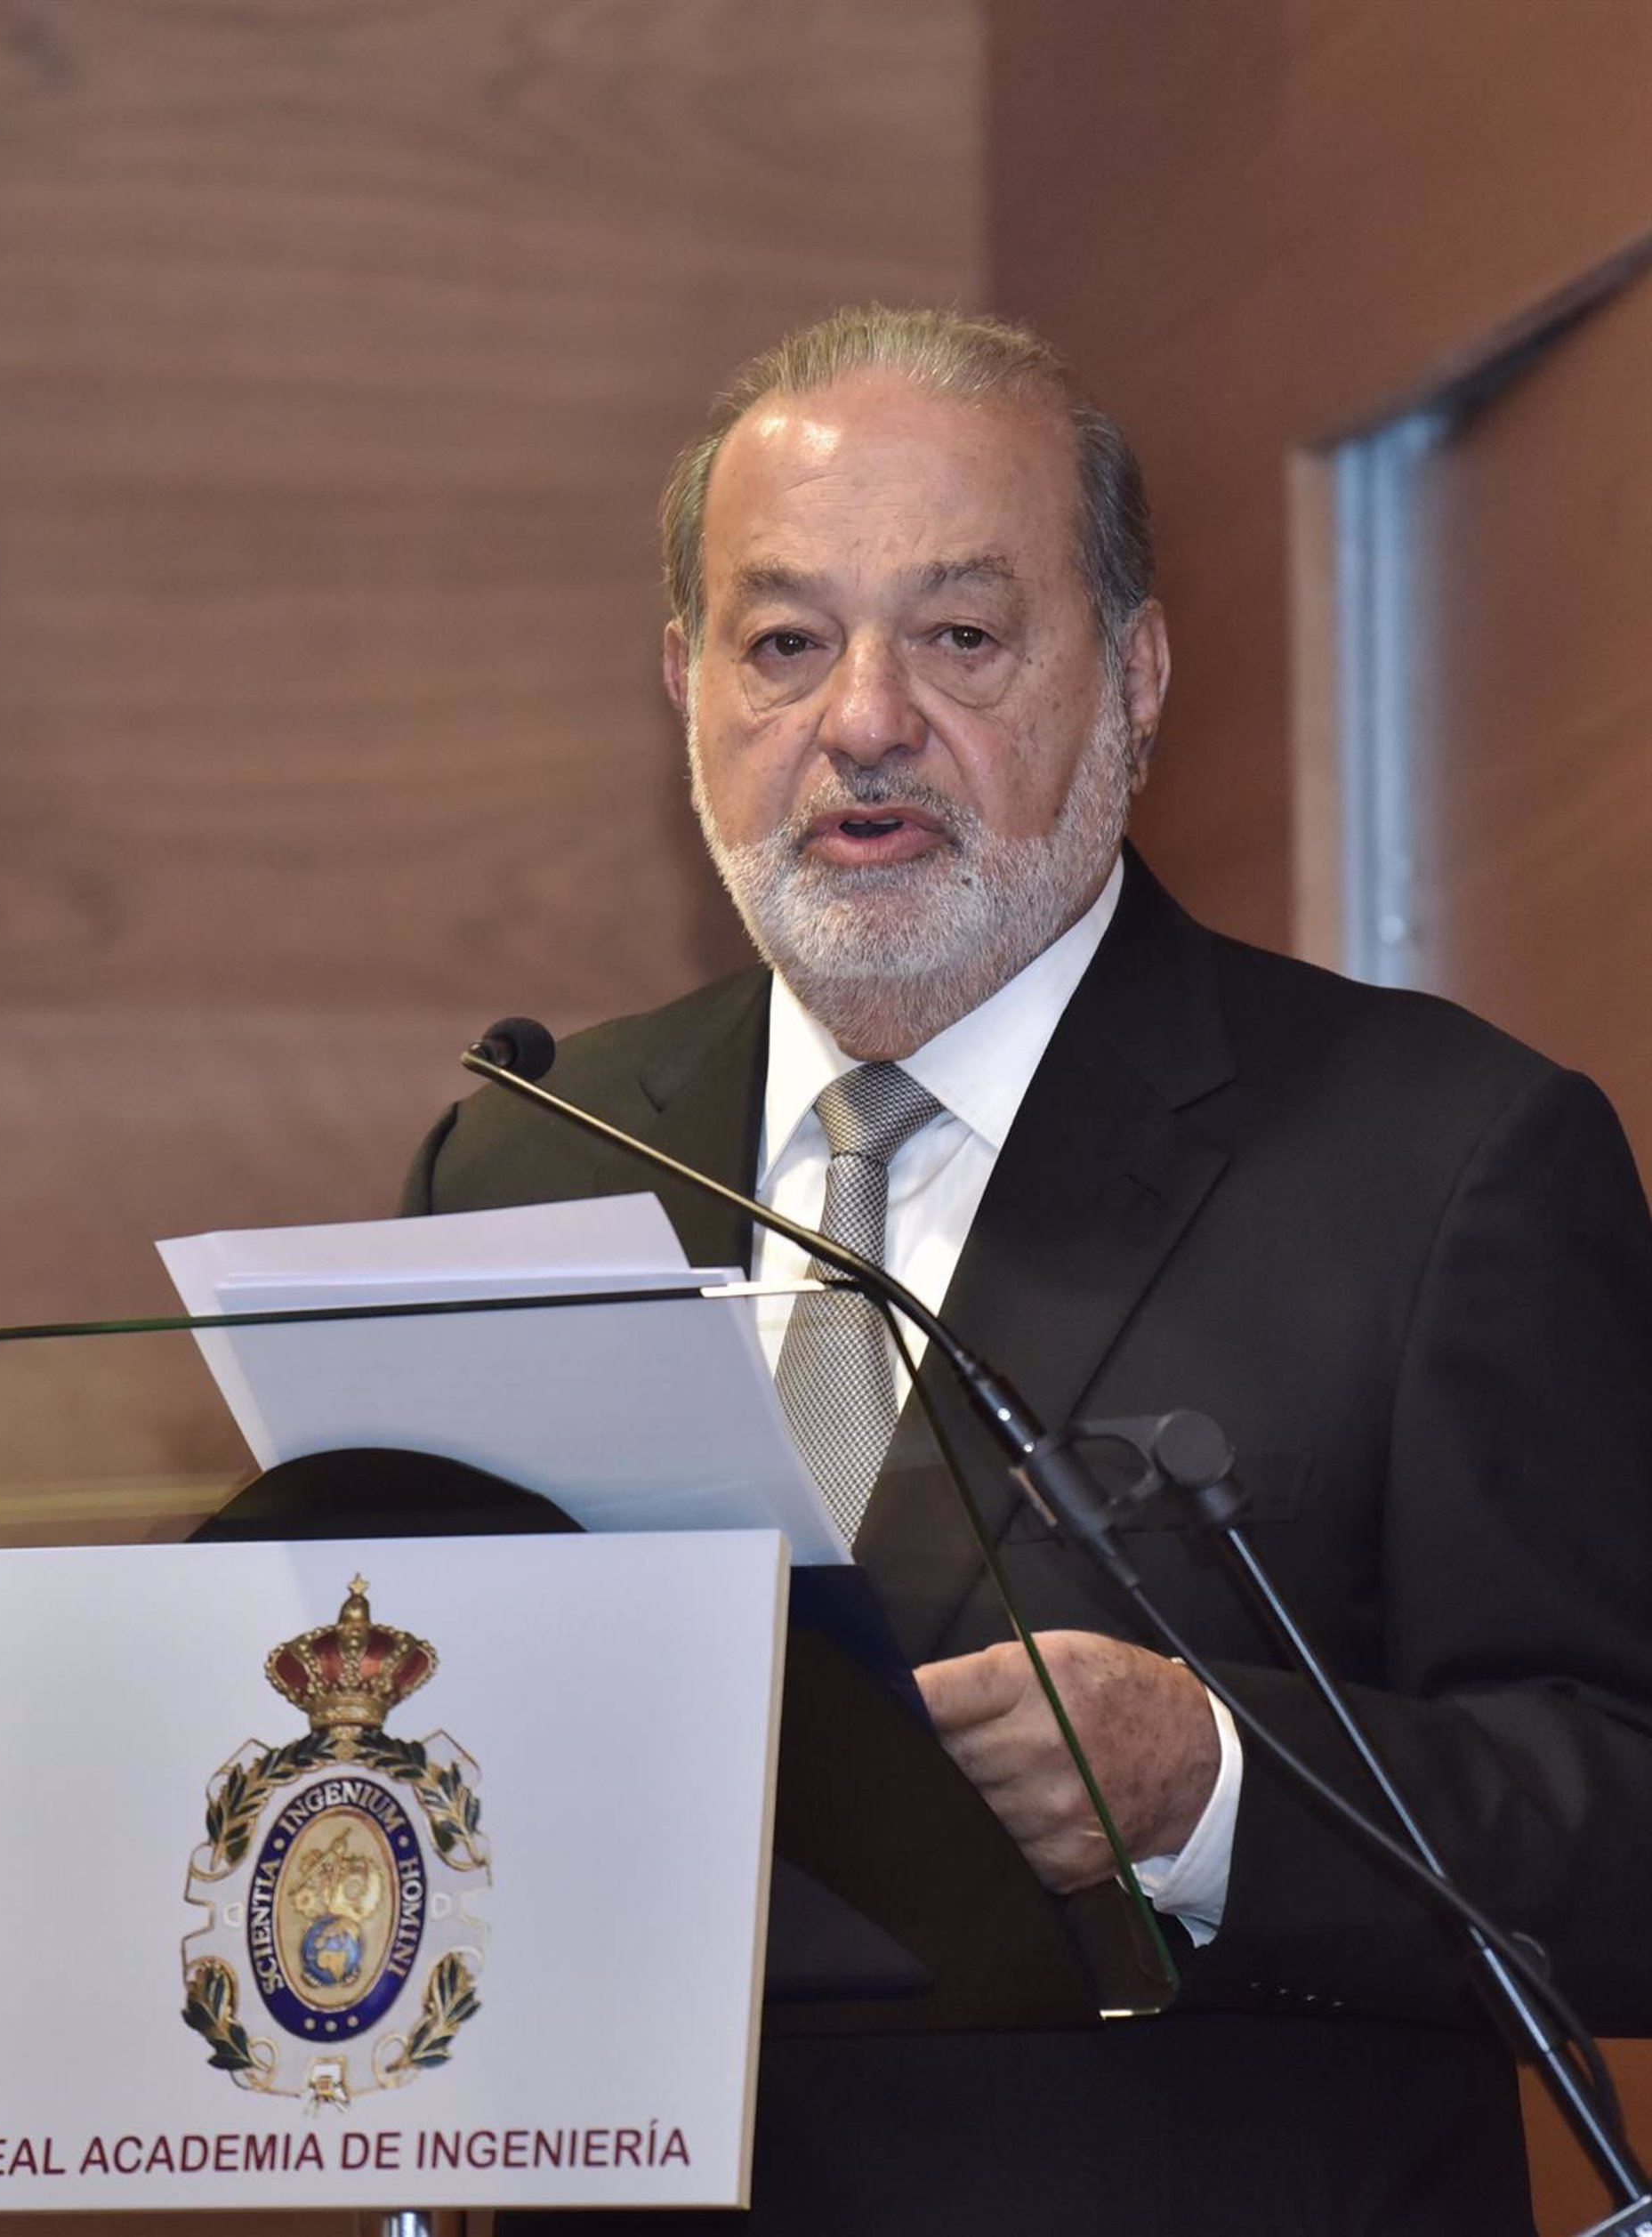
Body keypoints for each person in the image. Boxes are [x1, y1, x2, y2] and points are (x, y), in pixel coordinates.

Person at [403, 307, 1652, 2234]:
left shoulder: (1444, 1162)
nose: (865, 720)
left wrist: (1214, 1787)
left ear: (1133, 678)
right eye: (785, 642)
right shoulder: (531, 1153)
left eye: (963, 636)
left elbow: (1626, 1827)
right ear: (684, 686)